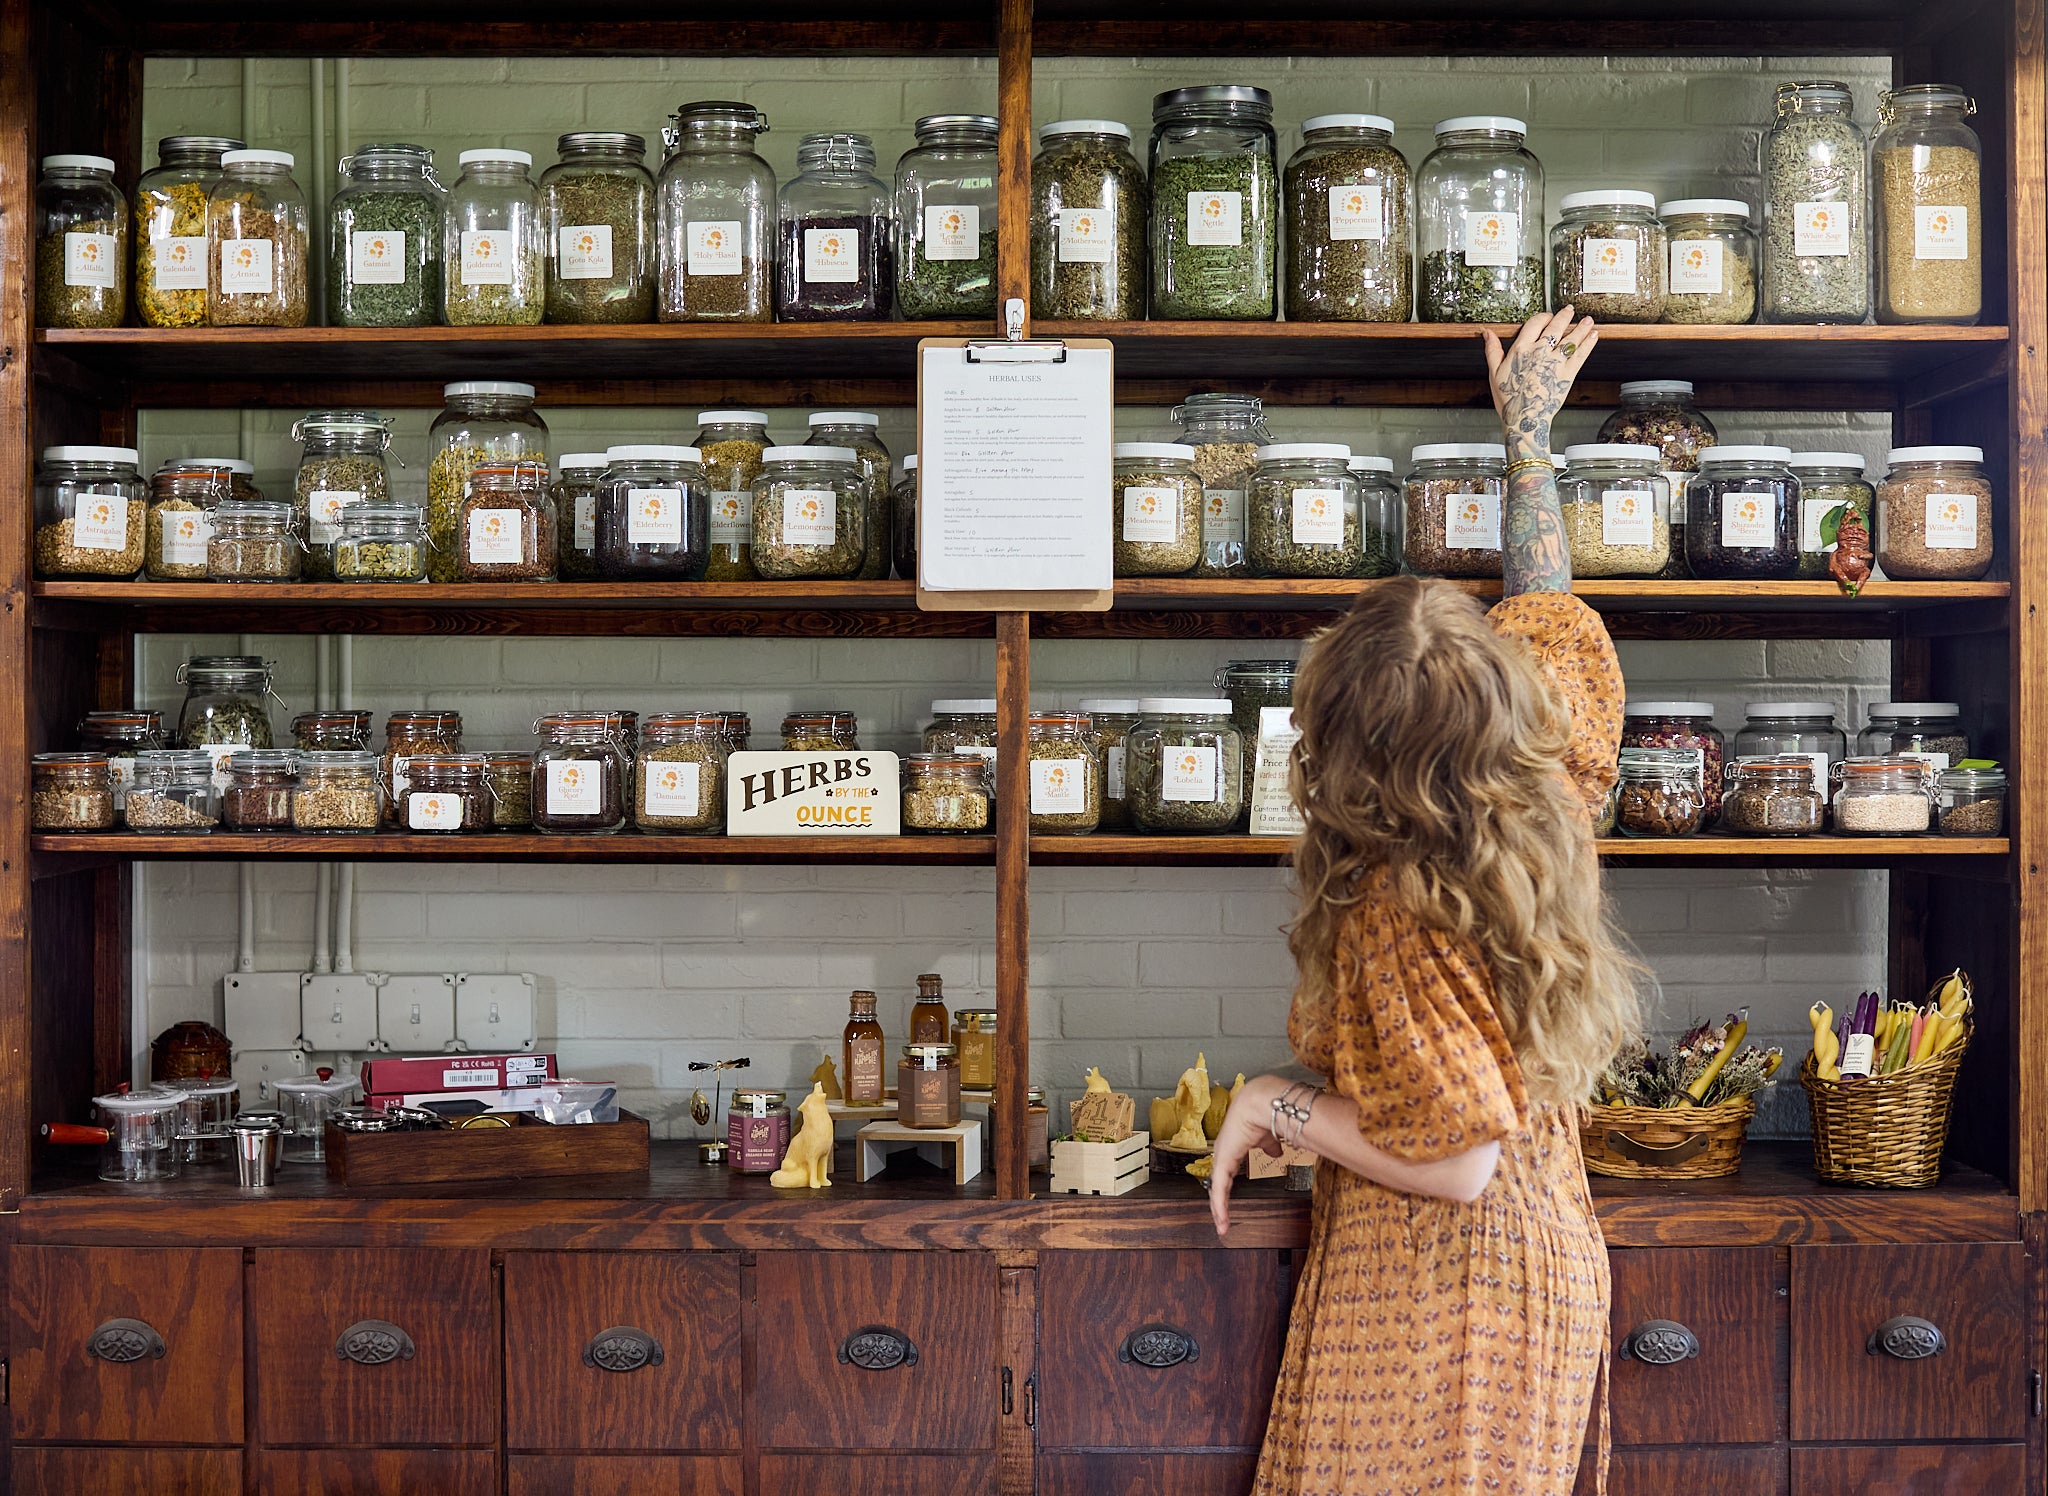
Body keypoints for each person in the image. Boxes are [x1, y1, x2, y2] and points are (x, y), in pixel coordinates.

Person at [1210, 306, 1642, 1496]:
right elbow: (1546, 601)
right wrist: (1527, 444)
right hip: (1546, 1253)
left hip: (1442, 1283)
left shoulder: (1398, 903)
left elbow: (1456, 1161)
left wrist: (1274, 1104)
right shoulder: (1547, 786)